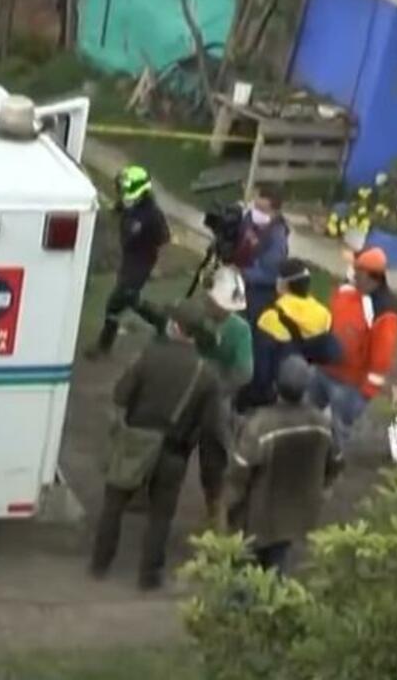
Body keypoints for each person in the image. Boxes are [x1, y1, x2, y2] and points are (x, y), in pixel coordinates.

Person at [90, 302, 224, 590]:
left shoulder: (149, 356)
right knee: (161, 516)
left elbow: (121, 394)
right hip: (174, 451)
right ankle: (149, 576)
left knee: (114, 504)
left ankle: (100, 563)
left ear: (174, 327)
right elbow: (211, 428)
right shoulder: (207, 374)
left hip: (135, 444)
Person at [224, 355, 342, 574]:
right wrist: (323, 488)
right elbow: (336, 461)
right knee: (277, 567)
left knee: (243, 571)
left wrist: (231, 507)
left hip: (257, 515)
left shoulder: (261, 424)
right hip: (295, 515)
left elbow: (239, 471)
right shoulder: (322, 423)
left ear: (276, 385)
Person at [312, 247, 397, 447]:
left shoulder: (385, 312)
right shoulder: (348, 290)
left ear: (370, 276)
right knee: (307, 416)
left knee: (338, 431)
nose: (352, 273)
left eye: (357, 270)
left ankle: (332, 461)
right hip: (323, 371)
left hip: (349, 385)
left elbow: (382, 358)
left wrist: (366, 392)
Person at [88, 165, 169, 358]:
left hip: (141, 263)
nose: (122, 194)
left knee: (116, 303)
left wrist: (157, 264)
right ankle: (163, 323)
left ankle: (104, 346)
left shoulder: (152, 215)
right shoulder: (130, 204)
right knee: (130, 300)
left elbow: (164, 238)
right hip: (129, 258)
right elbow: (119, 209)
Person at [195, 266, 253, 528]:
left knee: (213, 457)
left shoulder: (237, 329)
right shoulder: (235, 328)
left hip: (209, 396)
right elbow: (244, 371)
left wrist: (219, 390)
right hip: (206, 394)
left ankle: (215, 507)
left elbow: (244, 372)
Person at [241, 258, 338, 412]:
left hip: (275, 394)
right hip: (304, 391)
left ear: (283, 284)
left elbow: (260, 370)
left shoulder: (271, 317)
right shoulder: (324, 315)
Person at [240, 186, 290, 324]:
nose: (256, 213)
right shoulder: (249, 221)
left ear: (274, 212)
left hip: (259, 293)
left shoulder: (277, 238)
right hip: (242, 284)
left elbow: (271, 274)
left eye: (262, 210)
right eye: (256, 207)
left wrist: (243, 271)